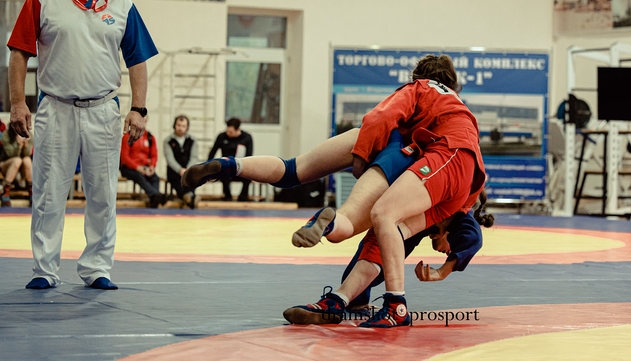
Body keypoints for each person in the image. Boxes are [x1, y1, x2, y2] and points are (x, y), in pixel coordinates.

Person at [185, 55, 486, 328]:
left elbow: (379, 120)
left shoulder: (425, 101)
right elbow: (470, 226)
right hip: (415, 155)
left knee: (295, 170)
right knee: (377, 219)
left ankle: (231, 165)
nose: (436, 243)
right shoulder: (434, 99)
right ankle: (392, 303)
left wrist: (363, 149)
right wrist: (361, 158)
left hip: (389, 142)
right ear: (451, 84)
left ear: (418, 74)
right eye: (438, 241)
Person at [8, 0, 158, 290]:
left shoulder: (121, 5)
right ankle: (44, 269)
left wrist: (139, 108)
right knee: (48, 192)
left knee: (103, 193)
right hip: (56, 107)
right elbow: (19, 53)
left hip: (103, 109)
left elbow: (138, 59)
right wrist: (17, 102)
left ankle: (97, 267)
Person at [283, 195, 493, 325]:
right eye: (449, 251)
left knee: (364, 261)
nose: (445, 253)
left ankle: (334, 225)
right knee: (381, 247)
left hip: (398, 194)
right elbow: (473, 239)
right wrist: (442, 272)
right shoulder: (462, 218)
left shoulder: (447, 222)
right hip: (411, 203)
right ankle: (349, 303)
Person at [120, 122, 167, 209]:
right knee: (139, 176)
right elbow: (125, 158)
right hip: (128, 167)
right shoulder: (127, 137)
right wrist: (137, 167)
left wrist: (152, 166)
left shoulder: (150, 137)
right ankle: (156, 195)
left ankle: (154, 199)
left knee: (155, 177)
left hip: (145, 166)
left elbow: (154, 155)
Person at [207, 118, 254, 201]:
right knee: (223, 172)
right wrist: (209, 166)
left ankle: (243, 196)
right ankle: (227, 196)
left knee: (250, 174)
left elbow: (249, 155)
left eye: (231, 132)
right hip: (226, 166)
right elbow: (213, 151)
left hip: (241, 166)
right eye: (227, 131)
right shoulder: (222, 136)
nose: (228, 133)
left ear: (238, 130)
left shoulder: (246, 137)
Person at [164, 115, 201, 209]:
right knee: (177, 180)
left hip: (189, 169)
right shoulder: (168, 141)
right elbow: (170, 159)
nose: (180, 128)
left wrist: (187, 170)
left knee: (193, 177)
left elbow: (194, 157)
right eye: (178, 125)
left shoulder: (192, 140)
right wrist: (180, 170)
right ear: (174, 125)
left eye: (183, 126)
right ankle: (190, 197)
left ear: (187, 127)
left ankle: (189, 197)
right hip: (175, 170)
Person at [1, 126, 33, 207]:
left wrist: (25, 145)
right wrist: (19, 145)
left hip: (22, 168)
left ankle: (32, 191)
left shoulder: (29, 135)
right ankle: (5, 191)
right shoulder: (6, 134)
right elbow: (10, 154)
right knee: (17, 160)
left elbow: (27, 154)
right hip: (6, 164)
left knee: (27, 160)